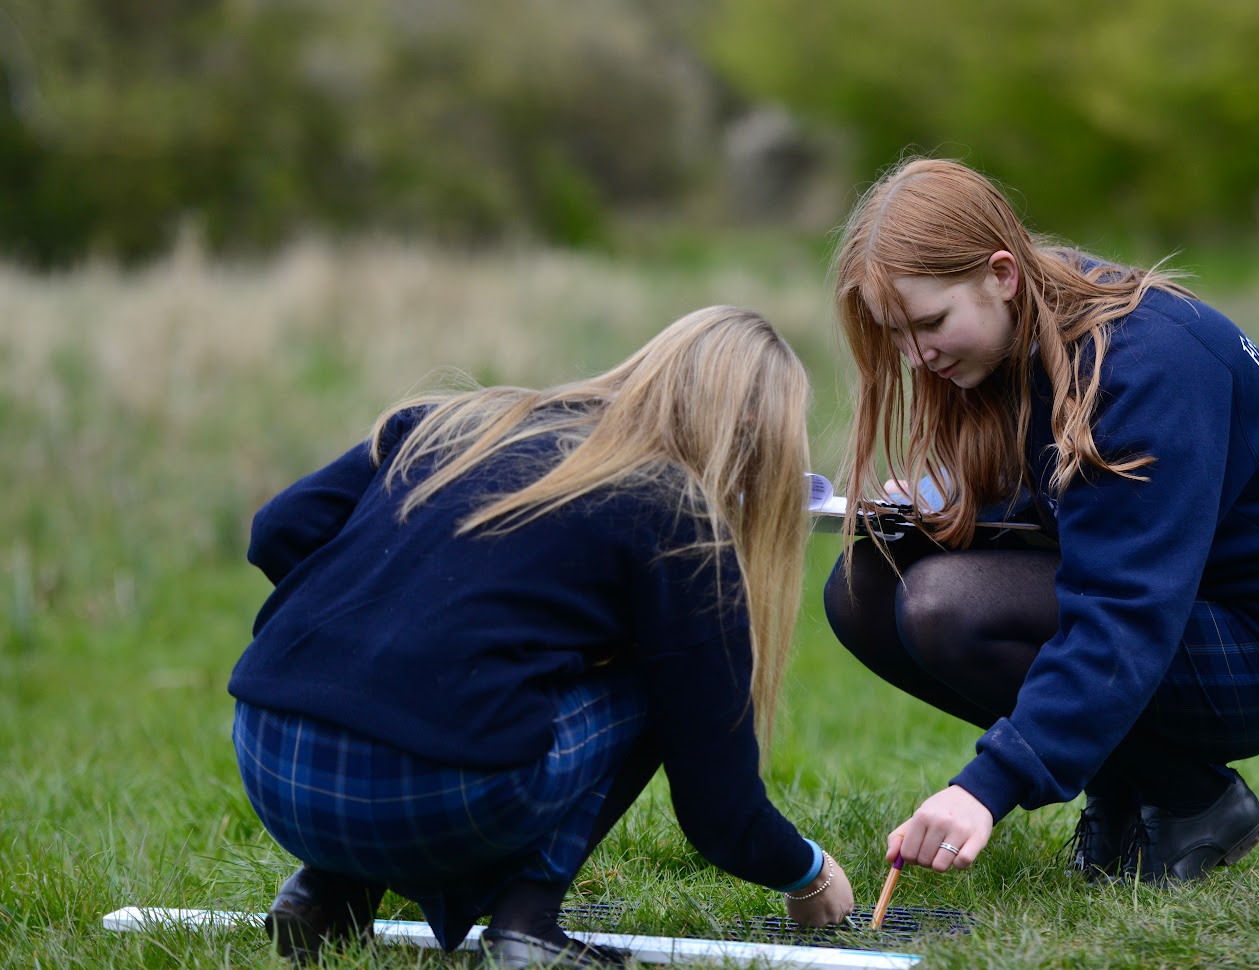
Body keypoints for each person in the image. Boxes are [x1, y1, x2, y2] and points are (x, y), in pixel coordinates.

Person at [228, 306, 856, 968]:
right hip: (431, 798)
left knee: (406, 699)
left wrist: (370, 620)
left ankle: (325, 893)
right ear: (755, 436)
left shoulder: (457, 422)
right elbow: (718, 812)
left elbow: (279, 529)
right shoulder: (675, 514)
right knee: (657, 674)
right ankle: (527, 926)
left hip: (267, 761)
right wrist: (808, 871)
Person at [823, 158, 1259, 886]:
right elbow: (1072, 512)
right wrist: (949, 511)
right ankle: (1126, 788)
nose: (917, 357)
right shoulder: (1007, 340)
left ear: (1002, 274)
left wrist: (987, 786)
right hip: (1171, 606)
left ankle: (1194, 800)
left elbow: (1123, 606)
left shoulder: (1145, 366)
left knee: (948, 607)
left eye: (931, 324)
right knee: (864, 587)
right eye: (897, 336)